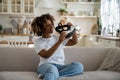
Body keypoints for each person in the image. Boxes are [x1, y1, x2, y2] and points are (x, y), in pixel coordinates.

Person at [31, 13, 84, 80]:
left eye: (51, 24)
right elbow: (46, 55)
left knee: (79, 66)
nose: (51, 27)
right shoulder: (38, 42)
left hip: (60, 66)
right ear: (41, 28)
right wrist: (59, 41)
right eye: (48, 25)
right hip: (45, 66)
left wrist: (73, 29)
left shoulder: (57, 37)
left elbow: (74, 42)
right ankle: (51, 73)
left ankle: (50, 75)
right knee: (52, 69)